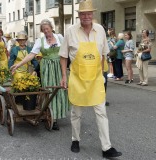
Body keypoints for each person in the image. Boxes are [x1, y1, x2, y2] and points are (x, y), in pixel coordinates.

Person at [59, 0, 122, 158]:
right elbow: (63, 56)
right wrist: (64, 77)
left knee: (101, 113)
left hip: (95, 80)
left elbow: (103, 54)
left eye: (89, 13)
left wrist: (102, 74)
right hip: (78, 79)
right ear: (79, 15)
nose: (86, 16)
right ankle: (75, 140)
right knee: (76, 113)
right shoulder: (71, 31)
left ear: (92, 14)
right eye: (83, 13)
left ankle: (106, 148)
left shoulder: (100, 30)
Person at [11, 19, 69, 130]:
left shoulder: (60, 37)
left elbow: (67, 52)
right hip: (47, 68)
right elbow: (31, 55)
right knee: (48, 91)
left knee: (59, 90)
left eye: (47, 28)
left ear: (52, 28)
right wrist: (18, 65)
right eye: (43, 30)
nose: (46, 31)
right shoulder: (40, 41)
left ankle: (56, 113)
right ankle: (52, 117)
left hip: (59, 66)